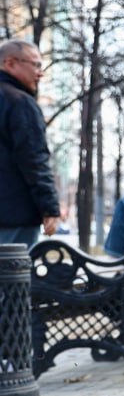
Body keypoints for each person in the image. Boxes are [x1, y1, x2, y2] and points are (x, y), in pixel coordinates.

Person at [0, 40, 59, 247]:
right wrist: (50, 208)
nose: (40, 73)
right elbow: (34, 159)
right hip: (14, 215)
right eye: (36, 65)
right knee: (13, 268)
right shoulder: (19, 103)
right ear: (10, 63)